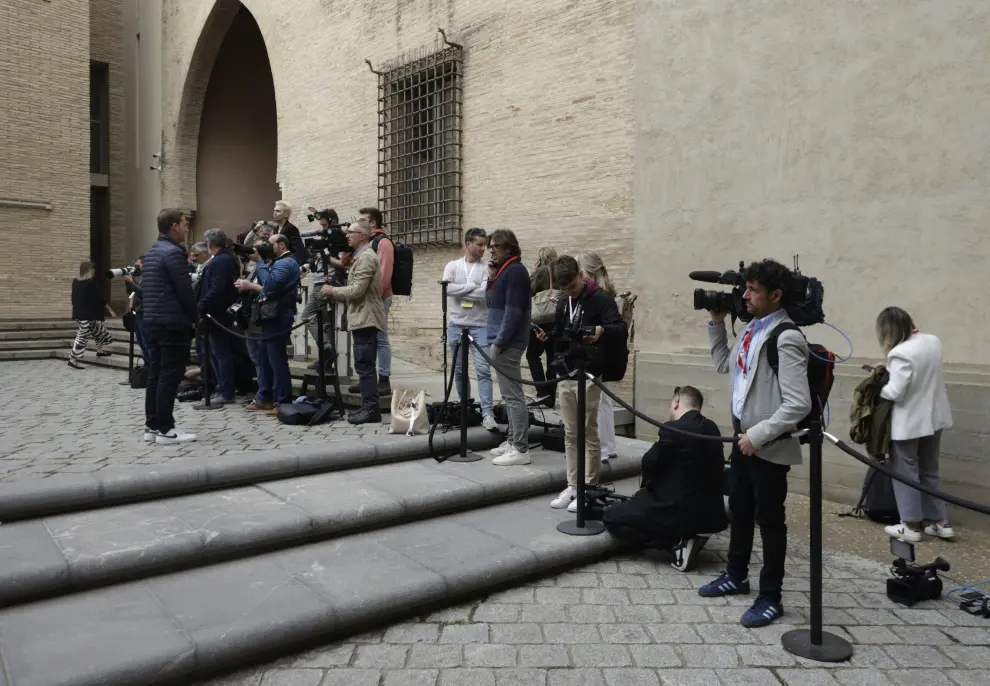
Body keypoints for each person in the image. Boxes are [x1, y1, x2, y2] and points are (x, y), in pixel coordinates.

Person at [700, 258, 811, 628]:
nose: (744, 296)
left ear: (776, 295)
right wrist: (717, 325)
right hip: (743, 440)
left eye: (754, 290)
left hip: (766, 445)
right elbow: (722, 365)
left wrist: (759, 436)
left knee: (770, 521)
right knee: (742, 511)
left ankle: (770, 597)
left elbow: (799, 403)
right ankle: (736, 575)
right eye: (745, 288)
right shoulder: (750, 331)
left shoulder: (787, 337)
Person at [603, 386, 728, 572]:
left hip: (678, 509)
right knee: (639, 500)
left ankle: (675, 544)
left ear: (676, 402)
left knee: (611, 517)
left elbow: (650, 462)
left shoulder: (673, 428)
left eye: (671, 404)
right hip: (711, 514)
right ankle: (686, 538)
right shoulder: (712, 428)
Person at [537, 255, 625, 508]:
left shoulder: (601, 298)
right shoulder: (565, 301)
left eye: (573, 287)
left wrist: (602, 331)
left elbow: (619, 328)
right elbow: (563, 333)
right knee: (570, 433)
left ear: (581, 275)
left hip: (590, 372)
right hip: (567, 372)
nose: (570, 293)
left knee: (588, 432)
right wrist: (548, 337)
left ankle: (590, 487)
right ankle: (572, 486)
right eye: (565, 290)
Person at [875, 307, 954, 542]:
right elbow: (919, 371)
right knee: (930, 470)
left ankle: (911, 526)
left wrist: (878, 385)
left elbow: (895, 392)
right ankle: (940, 522)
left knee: (905, 473)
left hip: (909, 424)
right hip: (935, 419)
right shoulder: (932, 341)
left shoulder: (899, 353)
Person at [142, 208, 199, 445]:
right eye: (185, 224)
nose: (187, 228)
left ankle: (152, 426)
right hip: (172, 322)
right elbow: (184, 291)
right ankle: (166, 429)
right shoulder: (174, 253)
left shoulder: (153, 251)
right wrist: (196, 317)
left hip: (153, 320)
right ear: (174, 226)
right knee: (170, 375)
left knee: (155, 374)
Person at [323, 221, 387, 425]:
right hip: (361, 316)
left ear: (362, 236)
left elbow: (357, 290)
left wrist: (332, 291)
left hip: (366, 317)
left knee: (365, 364)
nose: (347, 235)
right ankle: (367, 407)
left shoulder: (367, 257)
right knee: (363, 364)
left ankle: (371, 409)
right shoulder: (361, 256)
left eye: (351, 232)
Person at [236, 234, 301, 415]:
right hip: (269, 315)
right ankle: (265, 398)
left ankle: (283, 401)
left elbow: (270, 286)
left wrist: (259, 262)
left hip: (279, 315)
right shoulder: (276, 262)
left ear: (281, 245)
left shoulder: (286, 262)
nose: (265, 247)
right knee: (264, 357)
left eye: (269, 244)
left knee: (276, 358)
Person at [486, 229, 533, 465]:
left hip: (507, 343)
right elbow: (490, 303)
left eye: (495, 246)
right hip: (500, 340)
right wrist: (491, 277)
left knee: (513, 396)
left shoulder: (516, 271)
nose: (491, 250)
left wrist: (501, 342)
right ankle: (513, 440)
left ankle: (521, 448)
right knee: (508, 394)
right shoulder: (504, 271)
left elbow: (513, 313)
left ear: (509, 247)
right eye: (490, 246)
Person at [443, 227, 497, 431]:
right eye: (480, 245)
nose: (484, 249)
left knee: (483, 369)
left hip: (480, 325)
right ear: (468, 244)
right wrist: (471, 287)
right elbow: (447, 289)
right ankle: (465, 407)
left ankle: (487, 413)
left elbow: (484, 294)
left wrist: (461, 290)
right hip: (456, 324)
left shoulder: (486, 268)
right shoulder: (453, 265)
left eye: (485, 245)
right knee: (458, 370)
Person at [347, 207, 394, 396]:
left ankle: (384, 379)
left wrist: (375, 298)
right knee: (368, 342)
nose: (359, 223)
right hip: (369, 299)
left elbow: (384, 275)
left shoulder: (383, 243)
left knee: (381, 339)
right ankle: (367, 379)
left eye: (362, 220)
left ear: (372, 223)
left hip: (378, 299)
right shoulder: (366, 245)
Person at [578, 249, 619, 460]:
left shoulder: (599, 295)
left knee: (596, 401)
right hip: (606, 351)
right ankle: (608, 445)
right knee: (603, 401)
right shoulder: (608, 290)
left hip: (598, 351)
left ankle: (602, 447)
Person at [197, 228, 241, 405]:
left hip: (217, 313)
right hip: (218, 312)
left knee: (220, 353)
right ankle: (220, 389)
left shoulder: (220, 261)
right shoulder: (229, 257)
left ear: (209, 244)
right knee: (216, 352)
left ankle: (225, 391)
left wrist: (201, 305)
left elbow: (217, 288)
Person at [68, 261, 115, 369]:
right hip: (86, 314)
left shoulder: (76, 281)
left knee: (98, 329)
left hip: (80, 313)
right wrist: (110, 309)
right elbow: (100, 297)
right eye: (93, 269)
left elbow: (73, 298)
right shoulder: (92, 281)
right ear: (90, 270)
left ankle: (100, 350)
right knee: (82, 336)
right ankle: (72, 359)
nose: (94, 271)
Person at [528, 246, 559, 407]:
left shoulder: (541, 271)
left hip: (539, 321)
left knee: (532, 355)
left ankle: (542, 392)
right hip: (556, 320)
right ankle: (551, 396)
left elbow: (529, 290)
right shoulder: (560, 271)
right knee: (552, 358)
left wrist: (533, 273)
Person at [123, 256, 150, 365]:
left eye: (138, 265)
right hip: (138, 313)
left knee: (146, 342)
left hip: (144, 313)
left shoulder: (149, 278)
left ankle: (151, 368)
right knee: (141, 342)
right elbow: (131, 292)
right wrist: (129, 281)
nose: (136, 268)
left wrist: (132, 282)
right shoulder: (141, 278)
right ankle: (148, 366)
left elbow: (144, 294)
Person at [271, 200, 308, 266]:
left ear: (286, 214)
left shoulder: (291, 228)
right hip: (279, 263)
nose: (274, 213)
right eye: (274, 210)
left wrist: (296, 267)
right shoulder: (275, 229)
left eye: (278, 211)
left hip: (289, 264)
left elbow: (298, 250)